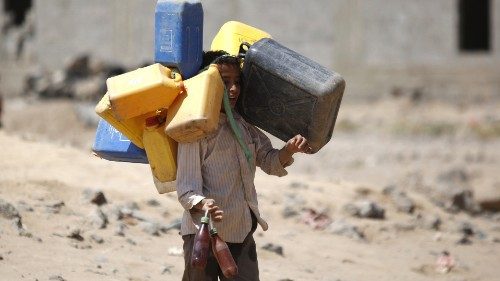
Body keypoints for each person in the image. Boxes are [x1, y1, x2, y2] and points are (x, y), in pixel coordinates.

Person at [176, 51, 311, 281]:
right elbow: (187, 190)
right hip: (203, 236)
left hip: (241, 230)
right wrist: (203, 203)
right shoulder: (196, 131)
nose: (234, 89)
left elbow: (269, 161)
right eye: (225, 82)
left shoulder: (244, 125)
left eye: (237, 82)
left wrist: (289, 150)